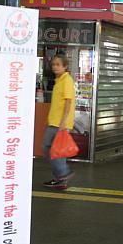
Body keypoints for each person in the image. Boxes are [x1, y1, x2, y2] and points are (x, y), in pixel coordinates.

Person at [43, 53, 76, 190]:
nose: (55, 67)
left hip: (60, 123)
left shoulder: (66, 80)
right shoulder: (59, 80)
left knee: (52, 149)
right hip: (54, 122)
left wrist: (63, 122)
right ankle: (60, 179)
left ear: (65, 66)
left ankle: (63, 173)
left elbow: (68, 102)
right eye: (53, 64)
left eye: (58, 64)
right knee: (53, 150)